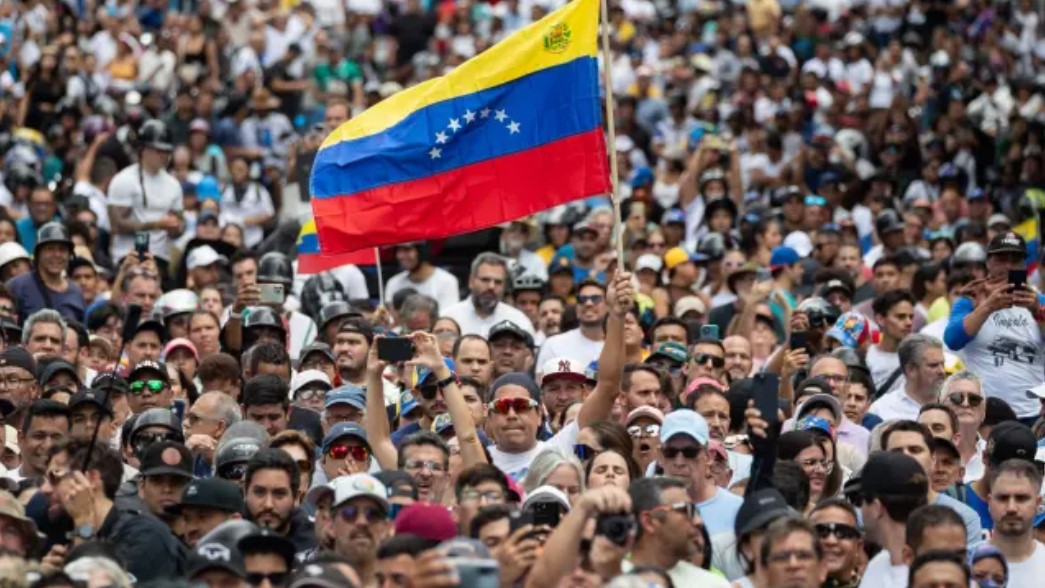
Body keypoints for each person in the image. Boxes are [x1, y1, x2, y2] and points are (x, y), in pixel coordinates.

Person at [40, 439, 185, 582]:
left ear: (91, 479)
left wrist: (83, 526)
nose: (44, 489)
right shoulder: (68, 534)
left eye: (55, 477)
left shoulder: (144, 534)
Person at [945, 231, 1045, 423]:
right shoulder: (971, 300)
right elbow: (952, 340)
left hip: (1033, 412)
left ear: (1024, 265)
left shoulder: (1039, 301)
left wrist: (1036, 310)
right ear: (988, 263)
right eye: (1001, 258)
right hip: (985, 413)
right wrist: (988, 306)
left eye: (1015, 259)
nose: (1008, 266)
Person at [656, 409, 742, 535]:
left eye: (690, 452)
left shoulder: (736, 509)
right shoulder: (645, 509)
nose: (679, 462)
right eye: (671, 452)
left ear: (709, 456)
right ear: (660, 456)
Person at [857, 451, 929, 587]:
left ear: (877, 507)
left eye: (862, 501)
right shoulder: (878, 564)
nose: (861, 508)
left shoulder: (935, 579)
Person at [6, 223, 85, 321]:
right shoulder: (17, 286)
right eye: (50, 249)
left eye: (62, 249)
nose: (56, 254)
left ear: (69, 255)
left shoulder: (76, 291)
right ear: (38, 254)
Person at [442, 253, 534, 337]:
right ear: (471, 281)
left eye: (498, 282)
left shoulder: (518, 321)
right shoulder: (449, 317)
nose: (491, 286)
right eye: (485, 280)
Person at [242, 448, 315, 553]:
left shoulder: (317, 545)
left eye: (279, 494)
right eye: (259, 492)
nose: (268, 504)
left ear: (295, 497)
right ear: (245, 492)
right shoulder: (226, 543)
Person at [987, 459, 1045, 585]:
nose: (1011, 508)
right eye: (1003, 498)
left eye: (1021, 498)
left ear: (1037, 503)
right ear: (990, 503)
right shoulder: (963, 565)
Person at [868, 335, 947, 421]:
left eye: (942, 364)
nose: (942, 371)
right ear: (910, 370)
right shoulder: (881, 410)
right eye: (933, 365)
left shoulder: (955, 403)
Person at [536, 279, 607, 368]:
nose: (588, 303)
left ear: (608, 306)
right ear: (576, 308)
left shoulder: (621, 345)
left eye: (595, 299)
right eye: (582, 299)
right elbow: (540, 380)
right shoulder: (553, 345)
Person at [168, 478, 246, 547]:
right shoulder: (174, 561)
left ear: (235, 522)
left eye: (203, 517)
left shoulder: (254, 561)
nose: (191, 528)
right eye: (187, 519)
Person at [385, 243, 460, 311]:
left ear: (422, 251)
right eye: (398, 251)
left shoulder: (447, 281)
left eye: (407, 250)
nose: (400, 256)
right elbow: (390, 317)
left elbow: (449, 317)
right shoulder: (393, 283)